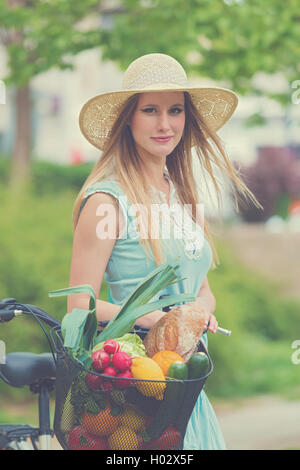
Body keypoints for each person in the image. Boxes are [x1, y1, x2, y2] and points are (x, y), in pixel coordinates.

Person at [67, 53, 261, 450]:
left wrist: (198, 313)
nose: (165, 124)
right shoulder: (107, 201)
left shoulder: (181, 195)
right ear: (129, 119)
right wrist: (163, 323)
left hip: (183, 387)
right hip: (135, 393)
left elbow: (200, 288)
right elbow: (78, 306)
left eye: (175, 110)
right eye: (150, 110)